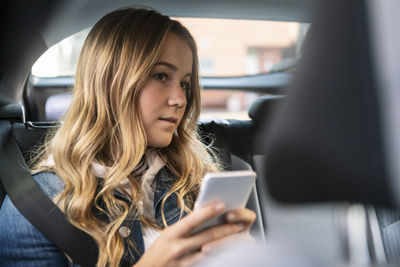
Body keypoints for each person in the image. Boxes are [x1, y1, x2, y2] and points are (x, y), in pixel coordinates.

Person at [0, 7, 256, 267]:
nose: (180, 100)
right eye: (161, 76)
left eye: (184, 84)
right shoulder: (35, 207)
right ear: (110, 82)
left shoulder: (195, 181)